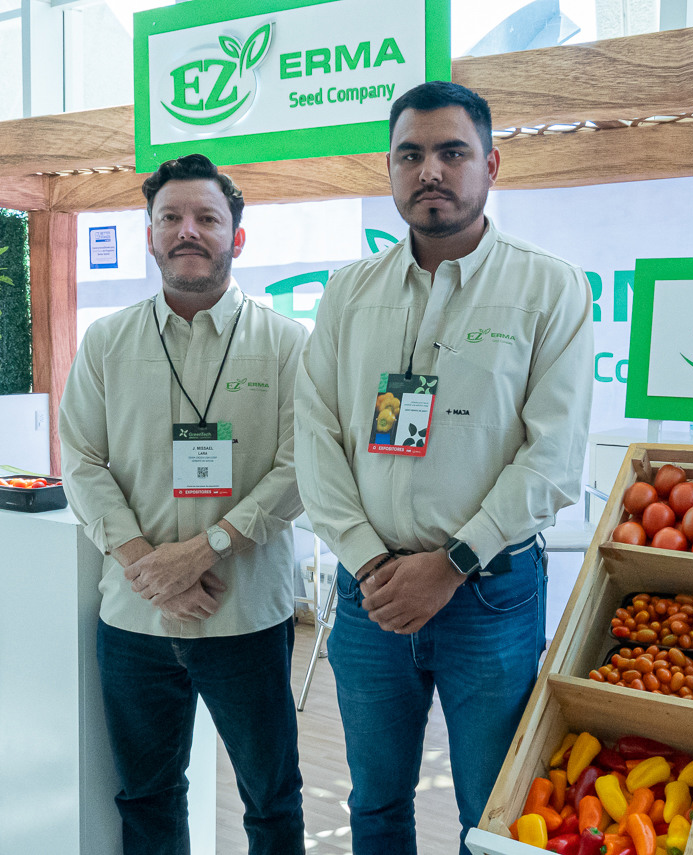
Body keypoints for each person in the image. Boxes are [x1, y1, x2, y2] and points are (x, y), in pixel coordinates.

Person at [293, 81, 594, 853]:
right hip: (370, 596)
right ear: (390, 170)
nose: (430, 170)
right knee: (375, 803)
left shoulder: (548, 286)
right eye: (411, 154)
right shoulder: (348, 291)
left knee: (490, 816)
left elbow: (553, 458)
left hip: (489, 597)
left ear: (490, 165)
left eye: (452, 152)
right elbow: (315, 438)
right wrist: (370, 563)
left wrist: (453, 562)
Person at [59, 153, 306, 855]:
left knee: (271, 802)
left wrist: (203, 550)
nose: (187, 230)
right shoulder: (107, 341)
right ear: (150, 236)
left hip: (244, 615)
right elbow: (81, 458)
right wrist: (146, 563)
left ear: (238, 237)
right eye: (170, 217)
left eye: (206, 218)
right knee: (147, 798)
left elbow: (302, 468)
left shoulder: (285, 342)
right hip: (134, 618)